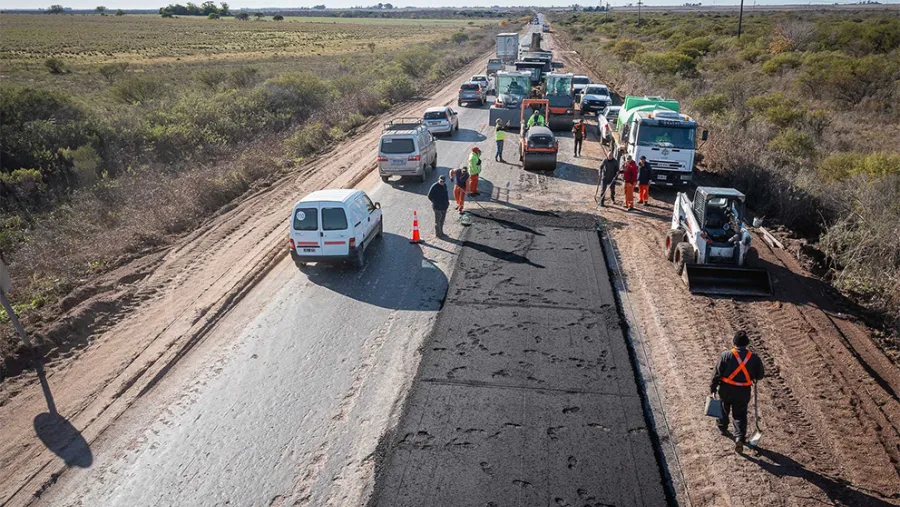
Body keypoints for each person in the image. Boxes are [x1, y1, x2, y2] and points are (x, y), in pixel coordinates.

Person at [710, 330, 765, 453]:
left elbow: (717, 374)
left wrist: (713, 388)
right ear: (747, 343)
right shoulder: (754, 358)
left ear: (734, 342)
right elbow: (760, 375)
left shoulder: (725, 355)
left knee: (723, 408)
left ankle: (722, 427)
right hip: (743, 391)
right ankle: (739, 437)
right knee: (740, 414)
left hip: (726, 389)